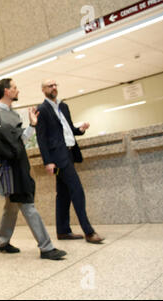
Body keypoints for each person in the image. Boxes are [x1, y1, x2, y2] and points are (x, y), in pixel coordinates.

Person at [0, 78, 67, 260]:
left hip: (20, 164)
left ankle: (1, 241)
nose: (18, 90)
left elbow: (21, 141)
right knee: (27, 204)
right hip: (7, 168)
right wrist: (3, 145)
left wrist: (32, 125)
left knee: (12, 206)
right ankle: (46, 247)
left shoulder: (14, 115)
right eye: (14, 88)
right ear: (6, 91)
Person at [35, 79, 104, 244]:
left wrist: (79, 129)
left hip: (70, 154)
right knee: (77, 190)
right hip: (59, 159)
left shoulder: (63, 107)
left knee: (64, 193)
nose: (53, 88)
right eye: (50, 86)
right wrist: (48, 162)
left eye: (55, 85)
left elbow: (69, 129)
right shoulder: (41, 110)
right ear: (43, 90)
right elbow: (41, 138)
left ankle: (63, 231)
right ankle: (89, 232)